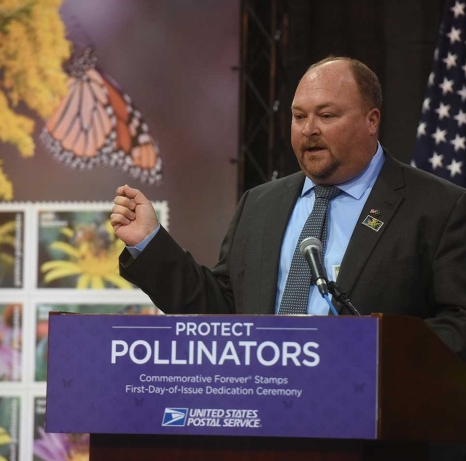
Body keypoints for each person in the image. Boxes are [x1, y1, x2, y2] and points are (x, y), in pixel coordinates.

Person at [111, 56, 466, 361]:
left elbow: (458, 322)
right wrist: (149, 242)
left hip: (374, 424)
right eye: (298, 117)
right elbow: (221, 311)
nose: (309, 130)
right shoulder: (261, 204)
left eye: (326, 116)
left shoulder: (437, 207)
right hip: (265, 417)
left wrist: (377, 357)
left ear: (371, 121)